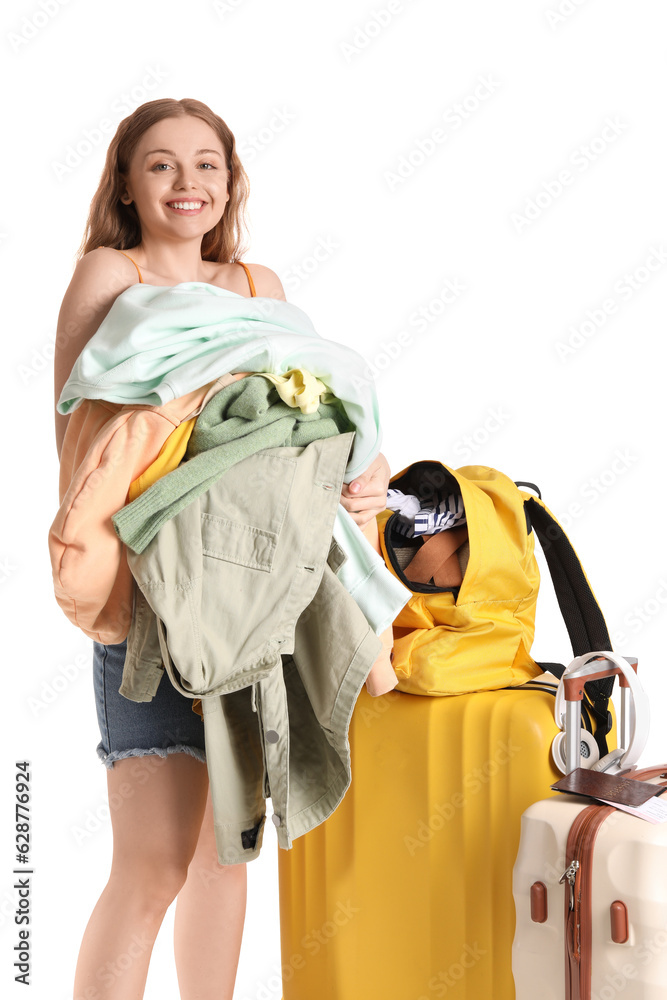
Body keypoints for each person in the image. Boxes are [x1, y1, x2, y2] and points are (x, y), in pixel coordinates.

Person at [53, 97, 392, 1000]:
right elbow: (90, 439)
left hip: (250, 594)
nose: (187, 182)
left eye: (206, 164)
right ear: (126, 183)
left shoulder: (257, 288)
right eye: (161, 164)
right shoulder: (108, 274)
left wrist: (358, 464)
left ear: (230, 181)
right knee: (153, 866)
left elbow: (304, 419)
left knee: (225, 855)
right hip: (153, 607)